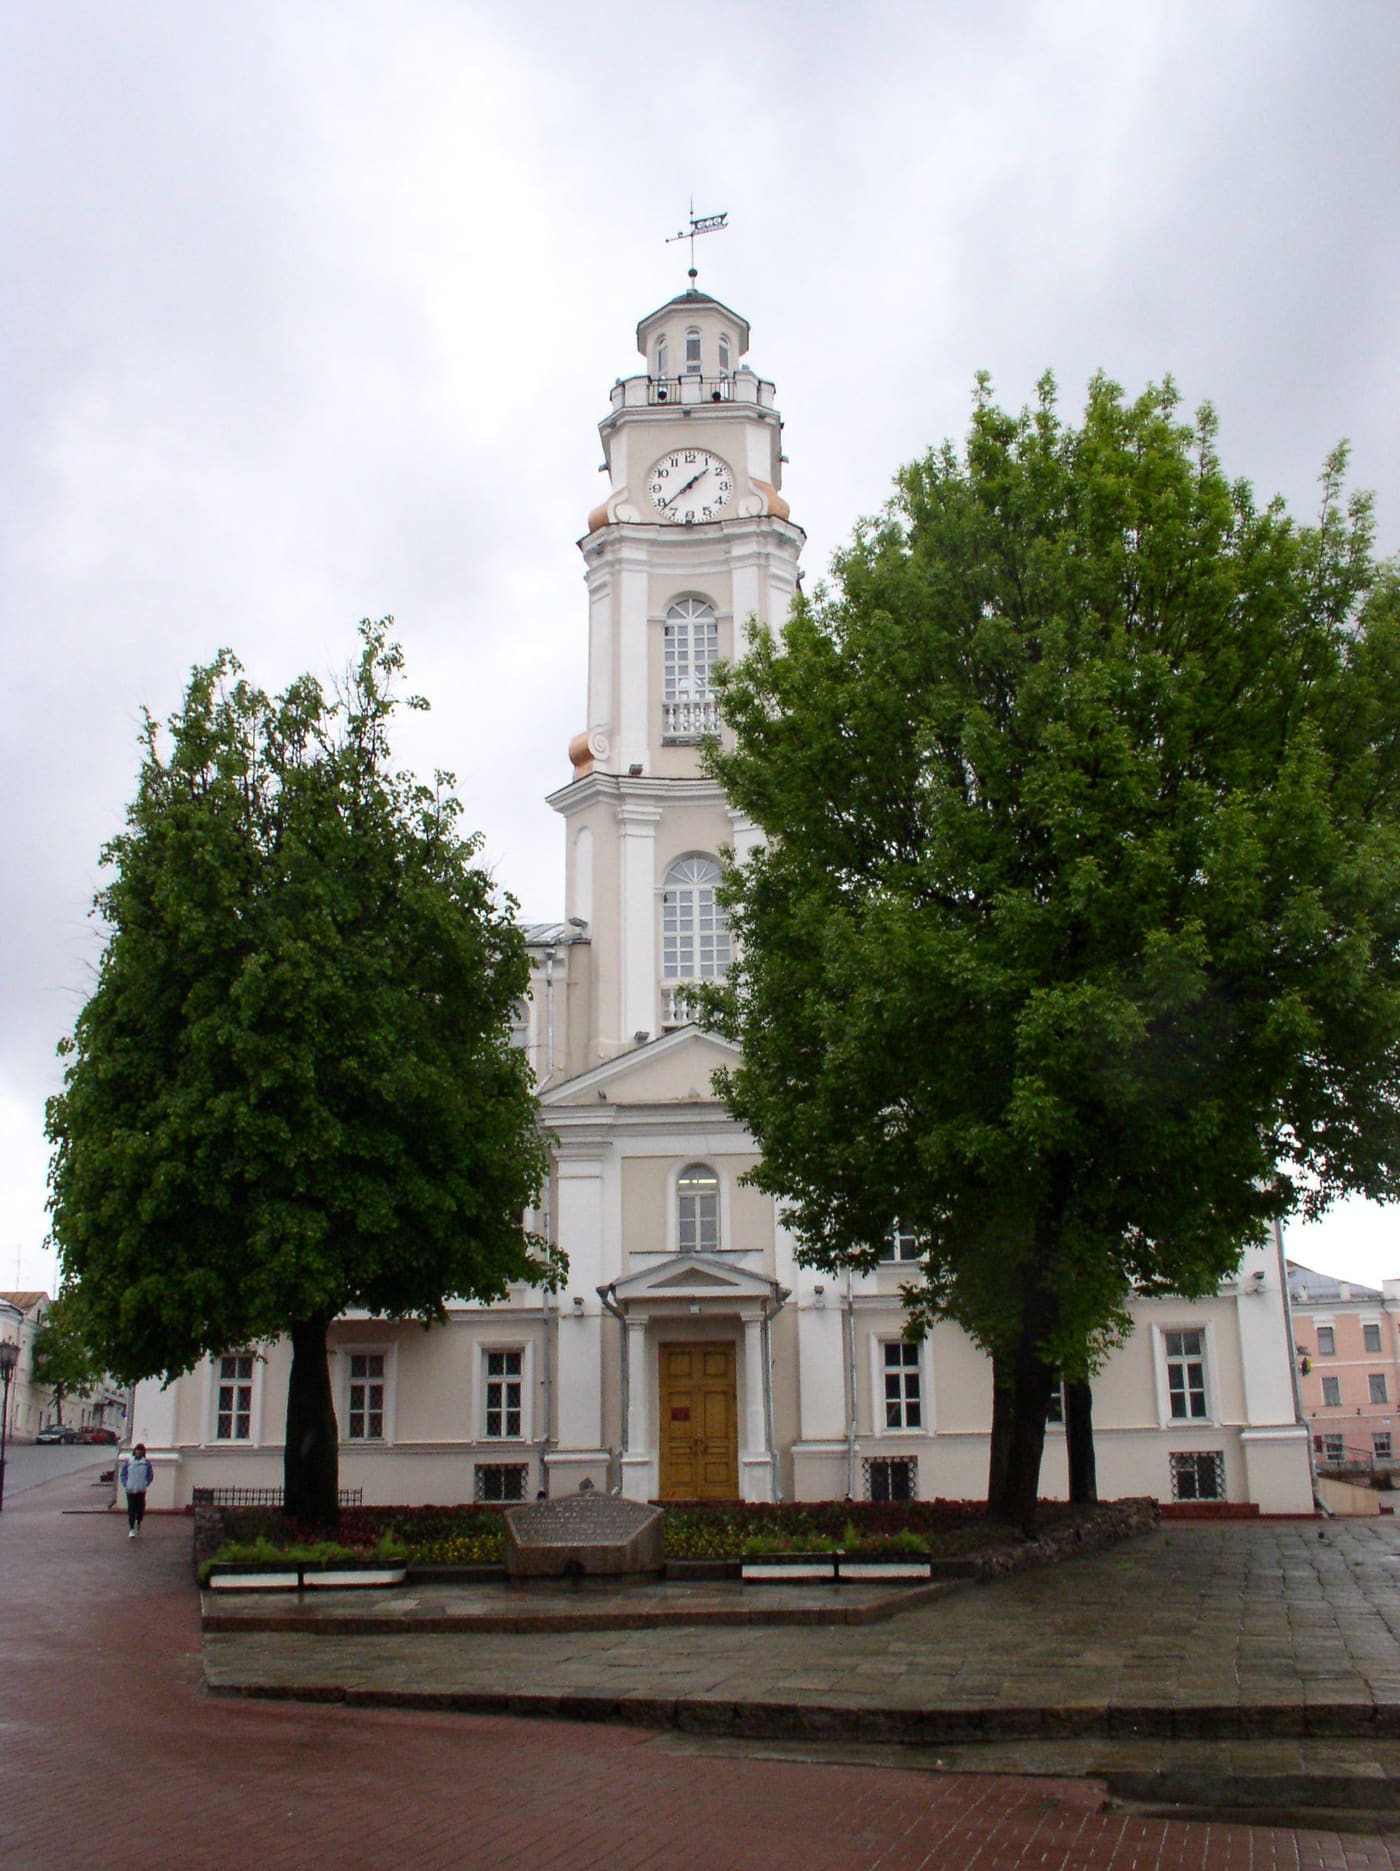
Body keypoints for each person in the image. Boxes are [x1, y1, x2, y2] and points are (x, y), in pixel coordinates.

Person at [120, 1443, 153, 1538]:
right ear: (134, 1452)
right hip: (130, 1489)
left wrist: (145, 1483)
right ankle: (131, 1528)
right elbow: (123, 1474)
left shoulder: (146, 1463)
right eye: (137, 1451)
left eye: (140, 1451)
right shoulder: (129, 1462)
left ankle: (139, 1520)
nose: (138, 1453)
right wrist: (126, 1483)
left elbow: (150, 1475)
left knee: (140, 1508)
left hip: (140, 1490)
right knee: (131, 1508)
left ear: (143, 1453)